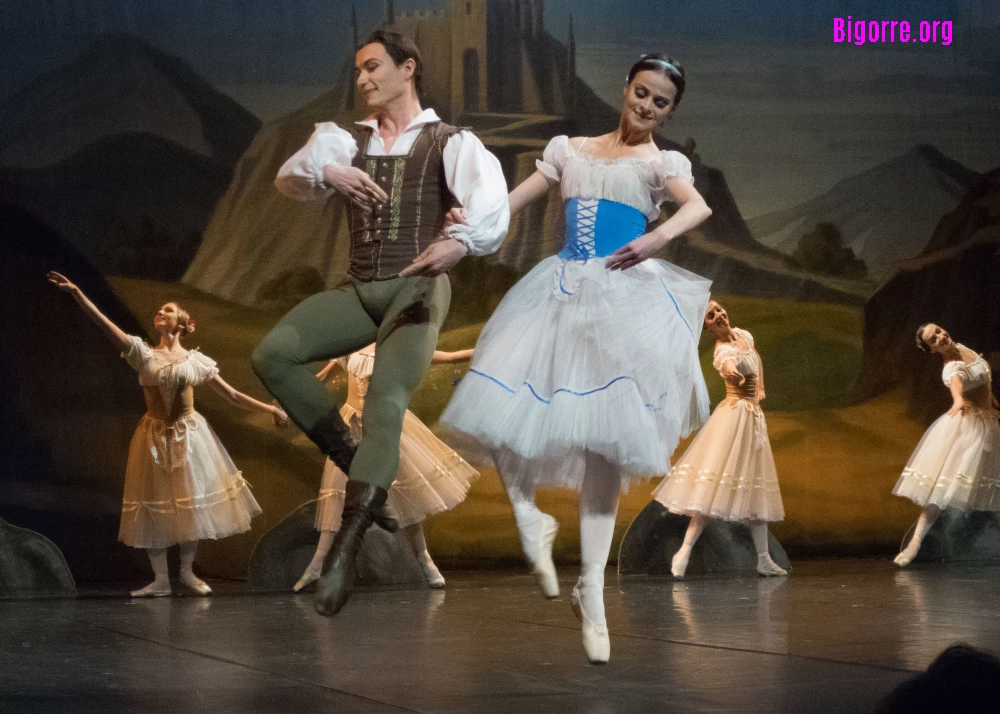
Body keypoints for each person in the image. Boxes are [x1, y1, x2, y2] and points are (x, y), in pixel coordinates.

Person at [441, 54, 713, 663]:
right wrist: (469, 224)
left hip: (623, 301)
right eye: (641, 92)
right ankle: (529, 519)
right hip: (559, 291)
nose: (646, 106)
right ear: (625, 89)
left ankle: (591, 588)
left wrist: (655, 238)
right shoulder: (570, 150)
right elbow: (511, 203)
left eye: (661, 102)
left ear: (671, 112)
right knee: (500, 409)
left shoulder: (660, 163)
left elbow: (697, 208)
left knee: (606, 449)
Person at [252, 30, 509, 616]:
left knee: (384, 403)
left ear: (407, 68)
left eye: (373, 67)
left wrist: (460, 244)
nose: (363, 78)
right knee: (272, 355)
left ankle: (346, 548)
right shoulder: (346, 139)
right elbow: (290, 178)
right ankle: (353, 460)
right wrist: (331, 174)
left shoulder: (450, 141)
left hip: (418, 285)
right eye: (358, 70)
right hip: (360, 286)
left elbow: (491, 206)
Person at [47, 271, 287, 597]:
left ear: (184, 324)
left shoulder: (196, 361)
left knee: (189, 502)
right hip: (153, 436)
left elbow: (231, 395)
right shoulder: (143, 353)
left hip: (190, 436)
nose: (161, 312)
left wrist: (270, 409)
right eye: (159, 310)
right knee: (154, 502)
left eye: (168, 310)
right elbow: (104, 325)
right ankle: (160, 579)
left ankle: (186, 572)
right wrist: (77, 293)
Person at [294, 345, 477, 592]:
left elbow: (450, 356)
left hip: (385, 424)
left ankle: (424, 557)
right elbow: (323, 375)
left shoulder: (397, 345)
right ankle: (318, 562)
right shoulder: (350, 346)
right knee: (338, 490)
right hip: (352, 424)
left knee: (403, 491)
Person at [652, 299, 787, 578]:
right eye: (711, 316)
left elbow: (755, 357)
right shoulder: (722, 352)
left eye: (718, 310)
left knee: (756, 486)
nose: (719, 315)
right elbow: (728, 367)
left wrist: (760, 386)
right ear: (708, 327)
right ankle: (684, 552)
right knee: (712, 489)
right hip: (734, 419)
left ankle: (763, 559)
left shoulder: (743, 335)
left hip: (752, 419)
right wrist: (733, 376)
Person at [892, 323, 1000, 567]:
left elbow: (981, 377)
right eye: (933, 339)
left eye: (939, 332)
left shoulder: (962, 348)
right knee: (941, 490)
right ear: (931, 349)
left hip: (988, 426)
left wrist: (989, 397)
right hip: (969, 431)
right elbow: (957, 387)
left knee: (995, 490)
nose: (940, 337)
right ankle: (915, 543)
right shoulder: (951, 368)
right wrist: (958, 400)